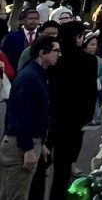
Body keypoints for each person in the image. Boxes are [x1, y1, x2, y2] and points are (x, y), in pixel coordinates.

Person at [0, 36, 58, 200]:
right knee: (15, 195)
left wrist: (41, 142)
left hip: (28, 142)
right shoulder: (29, 77)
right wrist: (28, 149)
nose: (58, 55)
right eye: (55, 51)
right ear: (42, 53)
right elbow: (21, 115)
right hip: (20, 145)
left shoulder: (37, 74)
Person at [44, 22, 95, 200]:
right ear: (77, 37)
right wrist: (85, 119)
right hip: (72, 123)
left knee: (42, 163)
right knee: (63, 168)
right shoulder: (88, 61)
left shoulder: (56, 57)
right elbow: (90, 93)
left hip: (51, 118)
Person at [80, 32, 102, 125]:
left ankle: (95, 118)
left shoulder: (98, 60)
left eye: (96, 45)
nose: (94, 47)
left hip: (95, 89)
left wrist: (98, 80)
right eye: (92, 45)